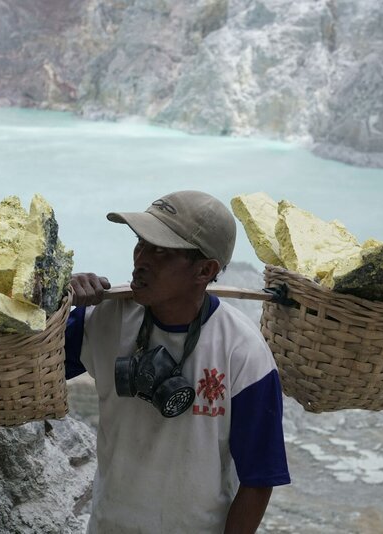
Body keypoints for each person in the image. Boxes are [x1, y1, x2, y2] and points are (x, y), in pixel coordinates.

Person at [66, 190, 290, 533]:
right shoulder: (103, 319)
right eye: (141, 242)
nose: (141, 259)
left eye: (161, 251)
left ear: (205, 270)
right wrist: (55, 300)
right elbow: (28, 363)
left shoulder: (243, 352)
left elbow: (258, 480)